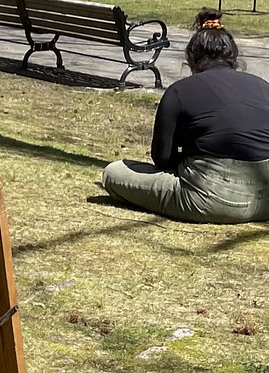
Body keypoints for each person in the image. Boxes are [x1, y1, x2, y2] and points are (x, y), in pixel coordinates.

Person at [101, 12, 269, 223]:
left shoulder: (179, 91)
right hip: (266, 201)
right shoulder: (263, 86)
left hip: (211, 199)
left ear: (191, 59)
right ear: (234, 58)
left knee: (113, 172)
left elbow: (162, 158)